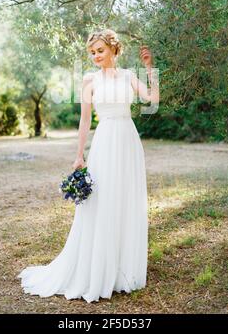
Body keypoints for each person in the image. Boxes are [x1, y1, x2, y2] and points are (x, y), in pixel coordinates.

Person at [17, 29, 159, 303]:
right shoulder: (89, 80)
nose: (95, 56)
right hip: (105, 142)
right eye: (92, 52)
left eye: (100, 51)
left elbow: (152, 100)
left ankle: (123, 270)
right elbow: (84, 122)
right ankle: (98, 268)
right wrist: (79, 155)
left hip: (128, 141)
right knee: (102, 202)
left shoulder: (130, 76)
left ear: (113, 50)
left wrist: (150, 69)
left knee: (125, 201)